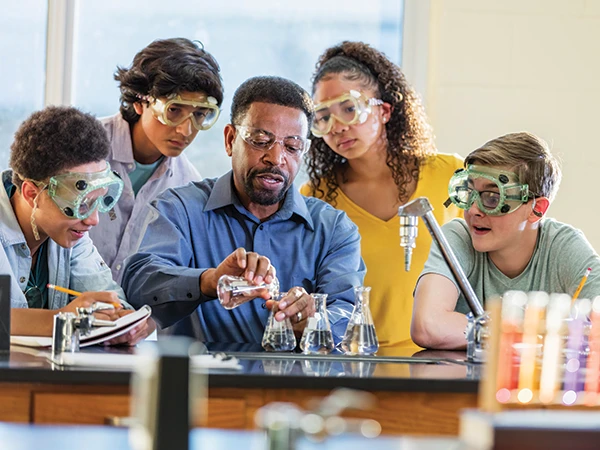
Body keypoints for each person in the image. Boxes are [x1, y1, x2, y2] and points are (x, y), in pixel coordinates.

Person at [122, 76, 365, 343]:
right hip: (201, 382)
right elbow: (139, 285)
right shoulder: (179, 209)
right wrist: (209, 281)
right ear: (229, 140)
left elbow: (350, 314)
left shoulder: (333, 230)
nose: (276, 158)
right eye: (261, 141)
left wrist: (314, 319)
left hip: (295, 383)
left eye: (292, 146)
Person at [300, 41, 463, 347]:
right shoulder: (316, 197)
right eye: (324, 116)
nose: (338, 127)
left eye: (349, 109)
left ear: (385, 111)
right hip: (352, 362)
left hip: (441, 359)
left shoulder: (451, 175)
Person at [411, 132, 600, 349]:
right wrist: (535, 333)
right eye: (469, 193)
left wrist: (484, 331)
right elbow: (427, 326)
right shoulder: (457, 238)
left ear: (536, 209)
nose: (473, 210)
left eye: (492, 198)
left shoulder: (564, 247)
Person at [1, 106, 155, 343]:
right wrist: (64, 320)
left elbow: (110, 298)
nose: (93, 220)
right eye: (80, 204)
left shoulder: (70, 238)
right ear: (32, 194)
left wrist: (121, 319)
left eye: (96, 202)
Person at [89, 38, 224, 284]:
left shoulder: (187, 185)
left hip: (132, 320)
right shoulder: (81, 148)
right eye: (174, 110)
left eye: (199, 115)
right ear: (140, 101)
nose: (186, 130)